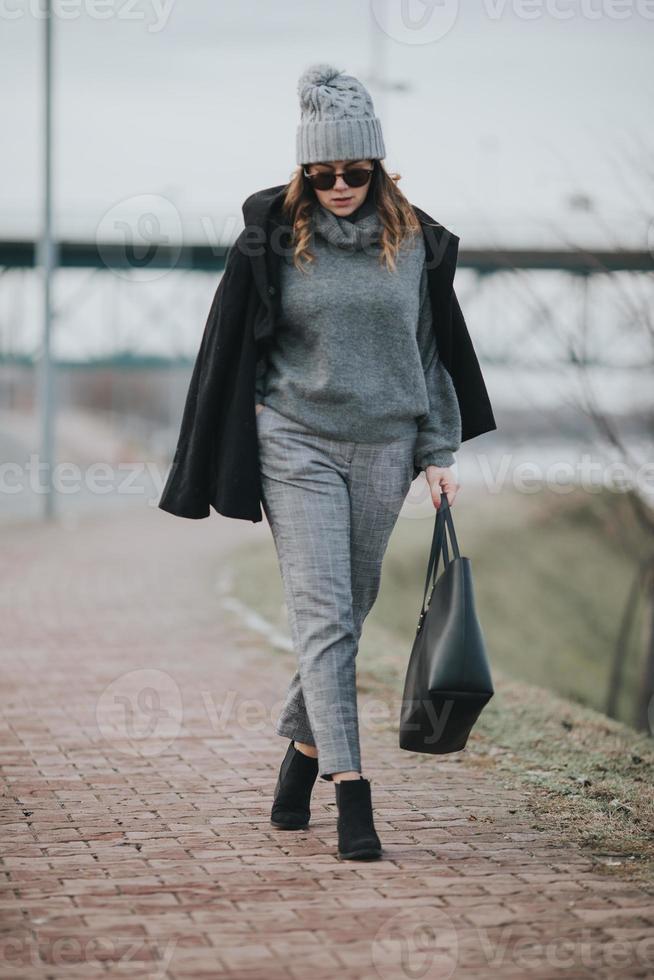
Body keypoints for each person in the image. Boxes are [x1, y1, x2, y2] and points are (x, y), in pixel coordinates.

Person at [259, 63, 464, 860]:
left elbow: (429, 349)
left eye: (354, 170)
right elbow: (243, 333)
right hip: (295, 438)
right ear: (305, 171)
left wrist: (437, 448)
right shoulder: (275, 232)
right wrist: (248, 413)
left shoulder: (412, 241)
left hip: (385, 443)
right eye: (323, 172)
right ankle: (351, 791)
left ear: (378, 167)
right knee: (322, 614)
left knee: (352, 608)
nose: (339, 185)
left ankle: (301, 754)